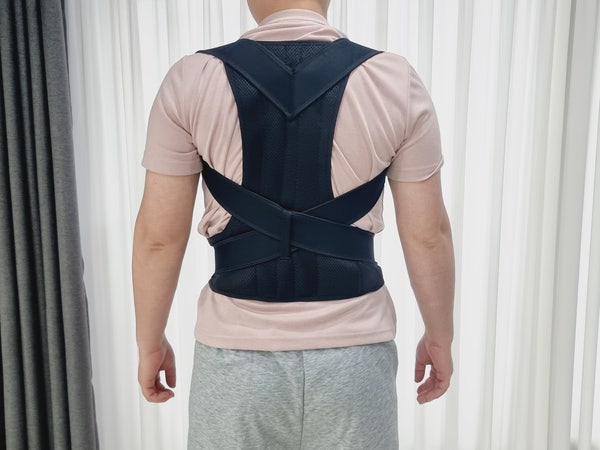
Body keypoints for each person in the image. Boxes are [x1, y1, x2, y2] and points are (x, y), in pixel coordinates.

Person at [132, 0, 455, 448]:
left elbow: (158, 238)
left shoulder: (192, 80)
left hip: (236, 362)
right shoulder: (394, 81)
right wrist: (440, 337)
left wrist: (150, 342)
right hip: (354, 360)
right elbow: (428, 235)